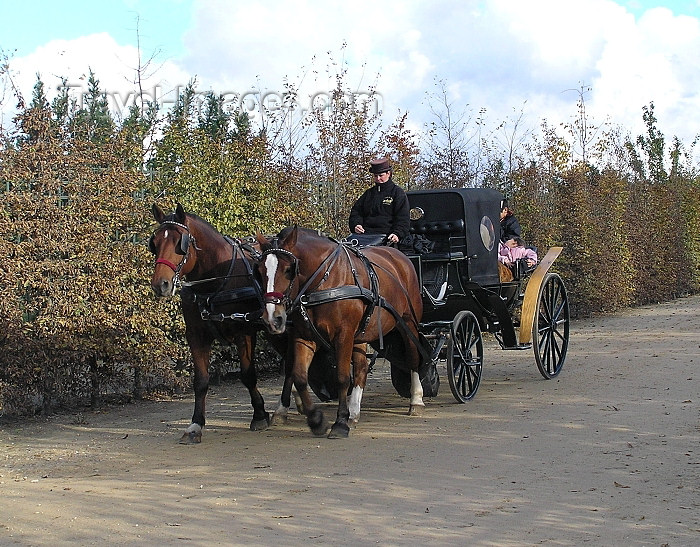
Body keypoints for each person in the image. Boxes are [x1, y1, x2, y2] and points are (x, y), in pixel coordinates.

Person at [348, 157, 410, 245]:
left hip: (386, 237)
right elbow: (356, 212)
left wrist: (397, 233)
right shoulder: (368, 194)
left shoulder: (397, 193)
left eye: (381, 175)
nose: (378, 178)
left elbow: (403, 218)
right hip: (364, 235)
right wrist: (356, 225)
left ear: (388, 173)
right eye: (375, 176)